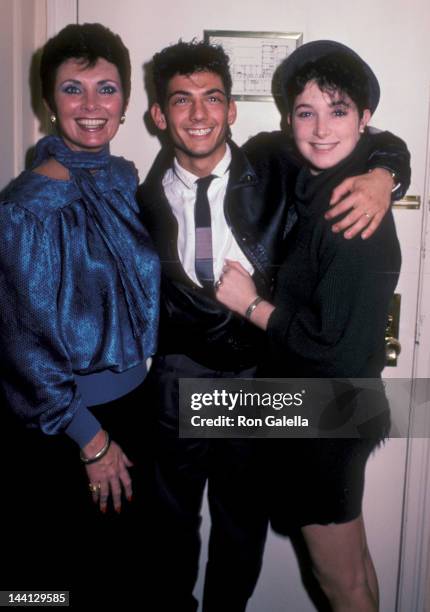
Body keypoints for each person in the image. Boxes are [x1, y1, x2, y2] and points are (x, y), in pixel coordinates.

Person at [137, 39, 409, 611]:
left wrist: (386, 176)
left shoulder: (274, 162)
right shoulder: (140, 198)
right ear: (159, 115)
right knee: (169, 530)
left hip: (260, 379)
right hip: (178, 380)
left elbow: (373, 136)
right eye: (181, 101)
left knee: (244, 531)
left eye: (213, 98)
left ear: (232, 109)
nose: (199, 114)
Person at [216, 40, 400, 611]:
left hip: (325, 415)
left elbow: (334, 350)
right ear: (288, 116)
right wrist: (387, 169)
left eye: (338, 110)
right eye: (306, 112)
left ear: (365, 118)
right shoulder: (326, 176)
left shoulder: (352, 209)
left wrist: (250, 304)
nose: (320, 129)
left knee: (340, 583)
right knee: (356, 569)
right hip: (336, 410)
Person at [0, 23, 159, 604]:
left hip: (131, 405)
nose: (91, 106)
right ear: (49, 103)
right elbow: (21, 349)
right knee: (47, 588)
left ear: (125, 103)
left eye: (106, 88)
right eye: (73, 89)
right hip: (68, 425)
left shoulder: (120, 178)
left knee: (117, 579)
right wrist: (91, 443)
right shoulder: (28, 206)